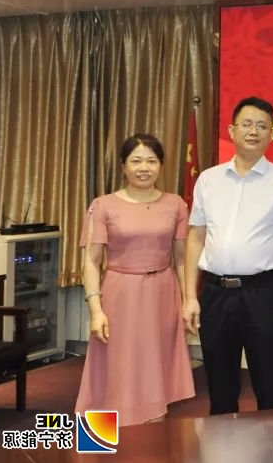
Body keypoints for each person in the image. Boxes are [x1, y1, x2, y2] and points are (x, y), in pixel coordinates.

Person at [183, 96, 273, 415]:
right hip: (215, 293)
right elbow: (196, 237)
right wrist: (190, 296)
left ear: (272, 134)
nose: (253, 131)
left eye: (262, 126)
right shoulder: (209, 179)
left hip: (264, 293)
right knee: (220, 386)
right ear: (232, 130)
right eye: (246, 124)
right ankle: (221, 442)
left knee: (270, 384)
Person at [75, 133, 195, 426]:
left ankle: (152, 437)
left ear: (161, 165)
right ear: (123, 166)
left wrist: (188, 300)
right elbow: (91, 262)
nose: (144, 168)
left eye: (151, 161)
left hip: (163, 294)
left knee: (155, 368)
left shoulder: (176, 205)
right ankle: (105, 439)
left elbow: (181, 260)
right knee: (115, 368)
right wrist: (96, 310)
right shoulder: (103, 205)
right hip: (120, 294)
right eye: (136, 161)